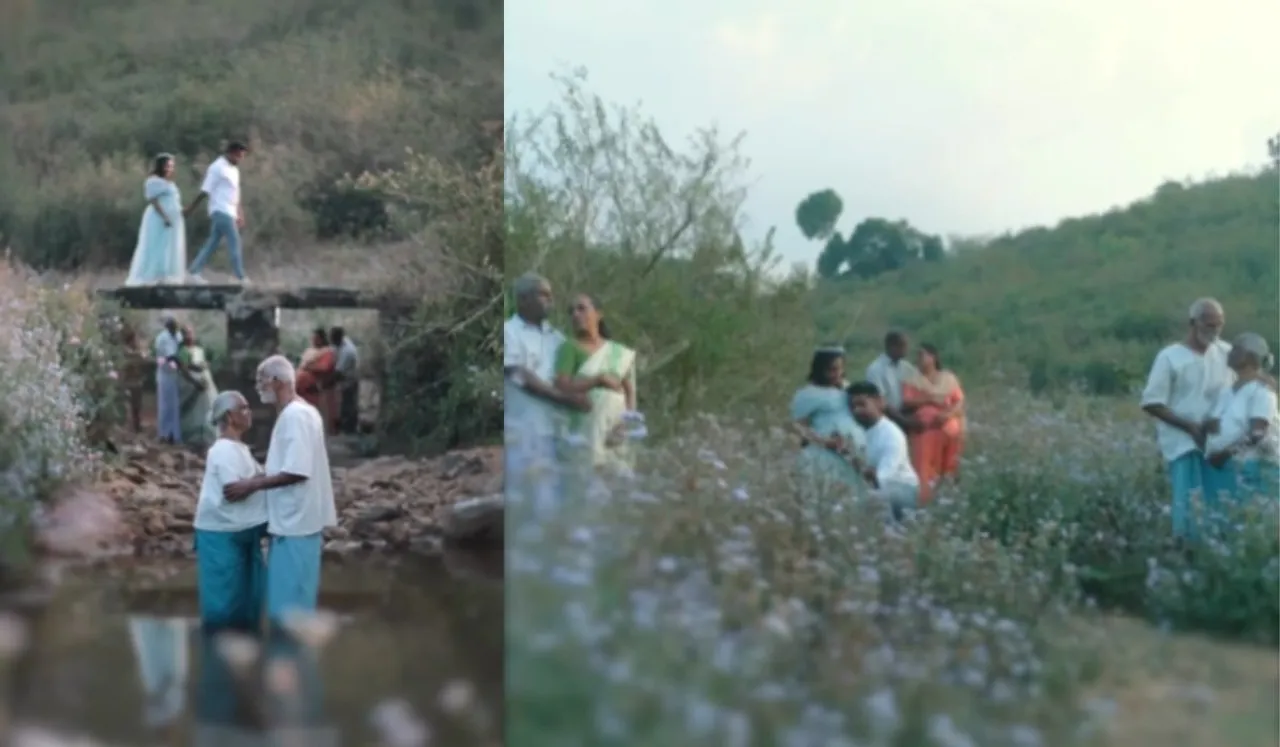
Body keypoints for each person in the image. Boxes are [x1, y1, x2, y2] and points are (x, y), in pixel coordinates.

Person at [223, 355, 337, 627]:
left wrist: (251, 485)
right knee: (297, 607)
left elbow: (297, 470)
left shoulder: (295, 417)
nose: (258, 386)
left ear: (276, 381)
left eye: (261, 380)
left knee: (287, 613)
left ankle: (288, 663)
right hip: (298, 523)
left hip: (295, 526)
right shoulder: (303, 412)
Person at [1140, 297, 1236, 539]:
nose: (1214, 331)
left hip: (1217, 441)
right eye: (1209, 325)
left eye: (1219, 325)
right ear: (1193, 323)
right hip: (1183, 442)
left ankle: (1217, 548)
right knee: (1188, 503)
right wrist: (1189, 426)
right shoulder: (1170, 357)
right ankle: (1186, 551)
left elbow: (1246, 381)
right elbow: (1152, 402)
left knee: (1220, 500)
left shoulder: (1226, 352)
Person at [504, 273, 589, 490]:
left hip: (556, 433)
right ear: (523, 299)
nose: (550, 301)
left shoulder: (557, 339)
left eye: (551, 296)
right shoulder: (508, 332)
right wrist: (563, 399)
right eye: (543, 295)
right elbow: (518, 375)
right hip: (522, 434)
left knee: (552, 507)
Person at [194, 391, 268, 632]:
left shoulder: (239, 449)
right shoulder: (223, 450)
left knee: (247, 598)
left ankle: (243, 653)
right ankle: (218, 653)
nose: (250, 413)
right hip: (221, 532)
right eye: (244, 408)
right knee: (224, 602)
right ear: (230, 416)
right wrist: (266, 479)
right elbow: (233, 490)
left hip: (240, 530)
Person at [553, 294, 638, 471]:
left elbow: (629, 391)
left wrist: (625, 424)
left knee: (616, 481)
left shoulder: (618, 352)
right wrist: (596, 381)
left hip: (615, 429)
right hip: (583, 428)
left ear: (598, 314)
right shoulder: (569, 348)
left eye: (581, 309)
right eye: (571, 311)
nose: (575, 315)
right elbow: (562, 386)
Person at [1204, 332, 1280, 503]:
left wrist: (1225, 453)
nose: (1230, 353)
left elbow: (1257, 434)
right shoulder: (1226, 392)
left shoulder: (1261, 392)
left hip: (1251, 466)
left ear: (1252, 358)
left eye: (1237, 349)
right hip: (1220, 467)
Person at [790, 347, 867, 494]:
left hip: (851, 453)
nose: (837, 374)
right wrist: (826, 442)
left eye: (840, 369)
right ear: (821, 369)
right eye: (832, 369)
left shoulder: (847, 387)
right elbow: (798, 428)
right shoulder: (808, 394)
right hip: (823, 453)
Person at [901, 343, 966, 503]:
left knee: (950, 466)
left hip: (948, 427)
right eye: (917, 355)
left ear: (933, 357)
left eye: (922, 355)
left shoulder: (948, 378)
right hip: (925, 429)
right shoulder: (913, 380)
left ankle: (949, 500)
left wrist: (948, 414)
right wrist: (929, 398)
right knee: (924, 467)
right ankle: (924, 501)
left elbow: (959, 401)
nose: (919, 359)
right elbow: (907, 401)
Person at [847, 380, 921, 520]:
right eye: (853, 406)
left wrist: (851, 458)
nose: (857, 411)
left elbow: (881, 477)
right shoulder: (859, 432)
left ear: (880, 402)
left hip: (902, 489)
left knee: (864, 503)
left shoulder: (891, 435)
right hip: (878, 487)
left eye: (862, 404)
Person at [186, 141, 250, 285]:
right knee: (234, 241)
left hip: (230, 211)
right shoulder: (217, 168)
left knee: (212, 243)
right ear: (231, 153)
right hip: (220, 210)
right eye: (239, 156)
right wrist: (192, 207)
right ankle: (239, 277)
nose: (240, 159)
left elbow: (235, 193)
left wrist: (240, 213)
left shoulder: (234, 170)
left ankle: (194, 271)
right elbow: (205, 190)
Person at [125, 153, 188, 287]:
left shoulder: (169, 183)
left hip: (173, 218)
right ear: (161, 166)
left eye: (172, 166)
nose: (170, 169)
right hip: (159, 218)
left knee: (170, 245)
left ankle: (165, 274)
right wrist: (165, 216)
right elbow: (154, 201)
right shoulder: (153, 181)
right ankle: (151, 275)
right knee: (157, 244)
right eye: (168, 166)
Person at [177, 324, 219, 448]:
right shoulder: (183, 351)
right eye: (186, 334)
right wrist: (196, 383)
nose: (189, 336)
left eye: (191, 333)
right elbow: (184, 369)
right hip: (192, 385)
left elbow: (203, 364)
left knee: (207, 409)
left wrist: (205, 365)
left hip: (205, 384)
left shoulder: (199, 349)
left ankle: (207, 436)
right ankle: (193, 437)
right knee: (193, 412)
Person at [865, 331, 919, 428]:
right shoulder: (876, 369)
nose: (907, 349)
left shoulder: (907, 367)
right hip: (886, 420)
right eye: (903, 345)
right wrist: (904, 421)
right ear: (892, 346)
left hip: (907, 416)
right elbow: (880, 402)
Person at [296, 328, 338, 433]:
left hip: (315, 390)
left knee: (314, 416)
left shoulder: (327, 352)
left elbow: (324, 368)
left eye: (316, 338)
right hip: (301, 391)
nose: (313, 340)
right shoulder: (310, 351)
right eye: (312, 338)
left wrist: (309, 367)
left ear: (321, 339)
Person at [154, 315, 183, 444]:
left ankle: (174, 434)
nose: (174, 327)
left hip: (175, 375)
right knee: (165, 405)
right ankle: (164, 434)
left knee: (174, 406)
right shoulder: (162, 338)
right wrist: (185, 365)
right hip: (165, 374)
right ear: (167, 326)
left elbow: (182, 349)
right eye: (172, 325)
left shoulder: (177, 336)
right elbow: (171, 356)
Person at [330, 326, 360, 434]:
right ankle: (347, 428)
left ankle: (350, 431)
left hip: (349, 381)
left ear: (338, 338)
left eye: (332, 339)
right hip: (344, 380)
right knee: (345, 405)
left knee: (348, 406)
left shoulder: (347, 351)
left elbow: (338, 372)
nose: (331, 341)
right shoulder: (340, 343)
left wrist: (325, 383)